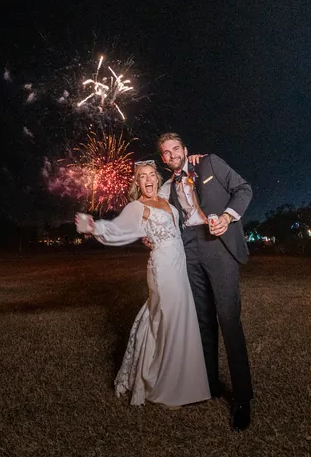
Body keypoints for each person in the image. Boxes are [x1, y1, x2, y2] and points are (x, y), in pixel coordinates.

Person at [75, 161, 210, 408]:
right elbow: (118, 228)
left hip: (179, 266)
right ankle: (165, 387)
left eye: (151, 175)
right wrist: (95, 227)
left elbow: (178, 179)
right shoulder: (137, 206)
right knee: (167, 319)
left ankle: (185, 383)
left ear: (157, 179)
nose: (148, 179)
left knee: (177, 317)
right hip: (162, 268)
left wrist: (191, 160)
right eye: (142, 177)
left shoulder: (167, 201)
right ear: (137, 183)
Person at [156, 132, 254, 432]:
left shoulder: (209, 163)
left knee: (229, 319)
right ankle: (208, 385)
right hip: (188, 248)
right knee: (202, 322)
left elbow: (243, 189)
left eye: (176, 149)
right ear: (163, 159)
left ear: (186, 150)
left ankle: (242, 399)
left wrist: (227, 217)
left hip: (217, 245)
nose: (172, 155)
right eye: (166, 153)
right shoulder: (167, 187)